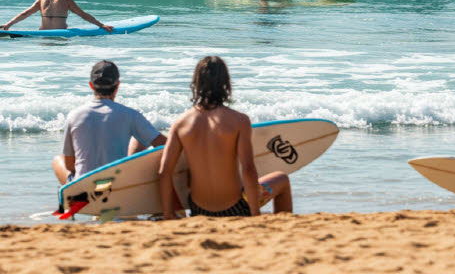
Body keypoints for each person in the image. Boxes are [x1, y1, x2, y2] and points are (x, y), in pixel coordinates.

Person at [159, 56, 292, 218]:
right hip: (235, 207)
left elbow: (164, 172)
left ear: (196, 83)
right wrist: (255, 214)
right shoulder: (239, 121)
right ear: (226, 83)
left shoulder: (180, 123)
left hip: (198, 209)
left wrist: (168, 213)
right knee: (282, 179)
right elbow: (248, 170)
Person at [53, 60, 166, 184]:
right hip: (117, 184)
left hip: (83, 187)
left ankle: (71, 197)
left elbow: (69, 165)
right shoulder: (130, 115)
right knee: (141, 138)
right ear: (117, 85)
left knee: (58, 161)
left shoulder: (74, 115)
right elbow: (165, 145)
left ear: (91, 85)